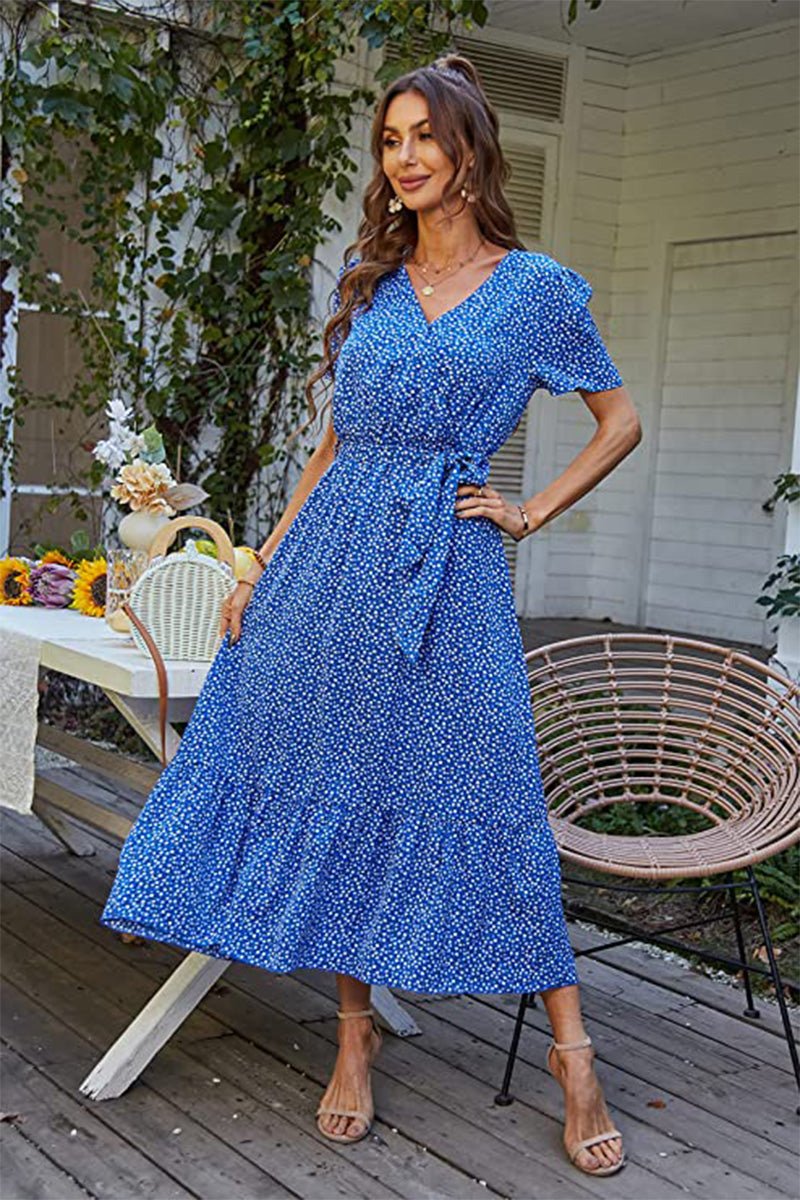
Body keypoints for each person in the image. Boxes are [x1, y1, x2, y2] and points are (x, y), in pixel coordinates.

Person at [100, 53, 641, 1178]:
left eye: (421, 138)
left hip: (447, 564)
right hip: (326, 570)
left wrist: (526, 510)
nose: (402, 157)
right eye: (388, 139)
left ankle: (570, 1053)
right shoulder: (372, 282)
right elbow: (334, 447)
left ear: (467, 151)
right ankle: (351, 1038)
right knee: (339, 778)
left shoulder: (535, 288)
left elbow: (618, 419)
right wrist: (257, 565)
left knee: (489, 785)